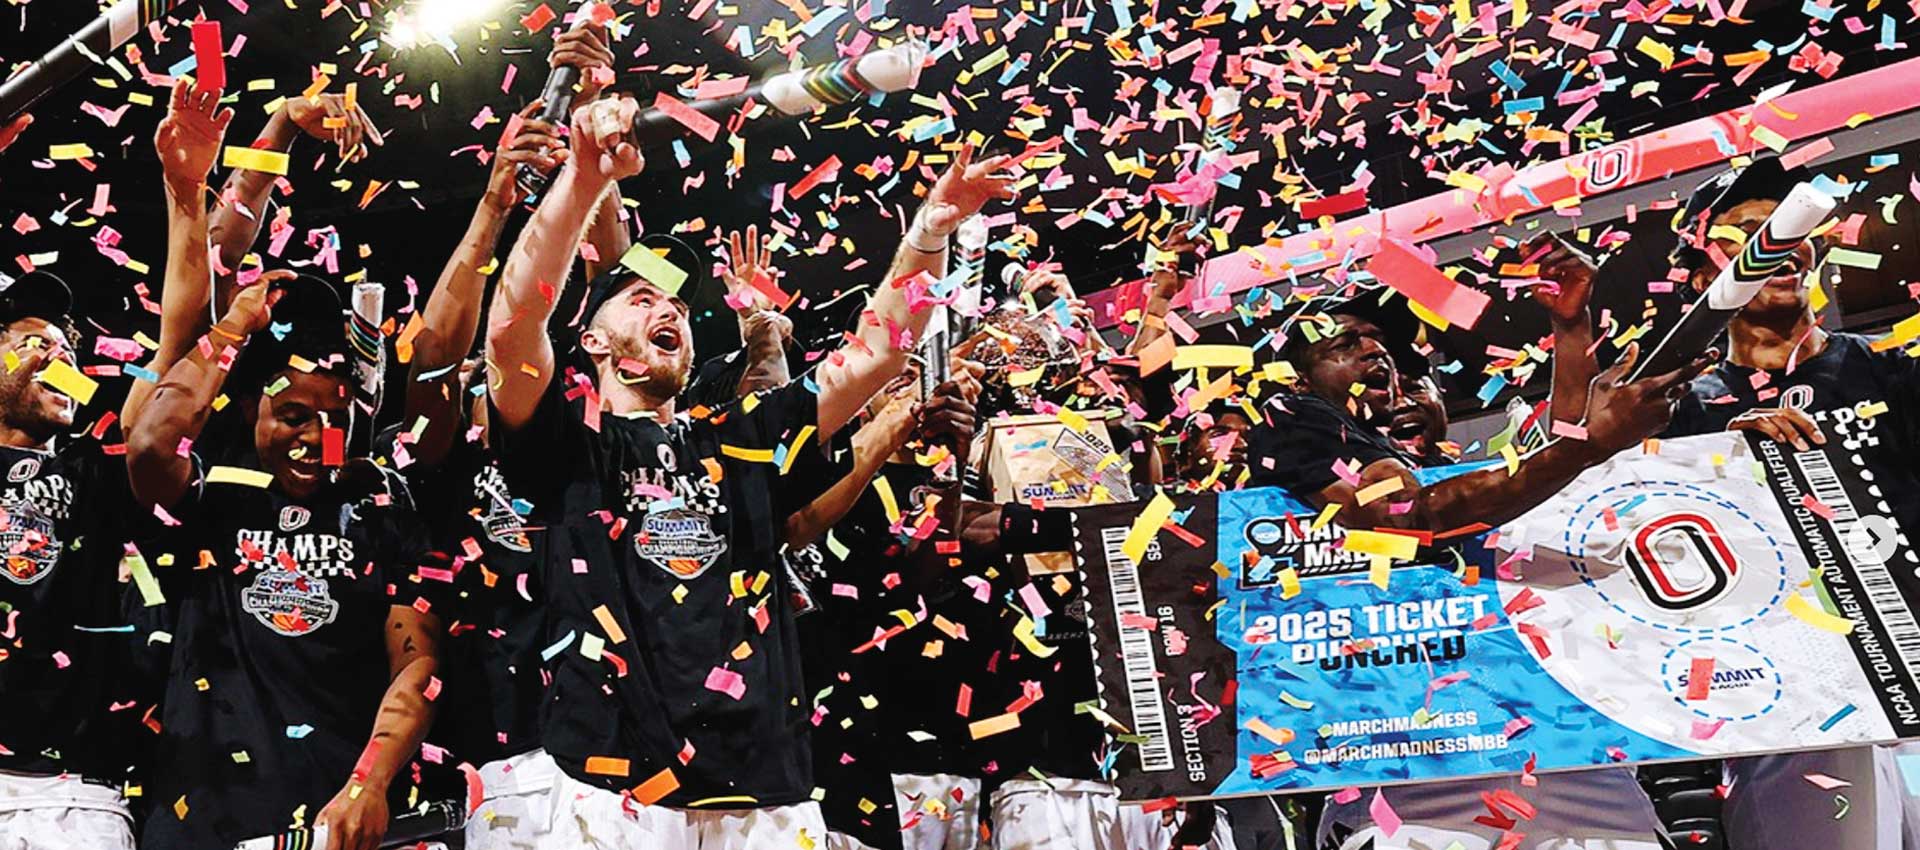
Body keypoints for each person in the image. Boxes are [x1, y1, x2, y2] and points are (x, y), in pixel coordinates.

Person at [481, 88, 1015, 847]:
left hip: (767, 797)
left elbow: (879, 349)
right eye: (638, 299)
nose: (665, 309)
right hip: (613, 799)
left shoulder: (739, 436)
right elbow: (512, 326)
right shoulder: (569, 445)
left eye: (674, 305)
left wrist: (930, 229)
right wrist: (584, 181)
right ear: (594, 344)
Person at [1234, 279, 1672, 850]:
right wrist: (1588, 446)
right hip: (1414, 782)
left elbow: (1557, 462)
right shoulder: (1292, 417)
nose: (1374, 351)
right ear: (1298, 378)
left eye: (1378, 342)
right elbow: (1398, 517)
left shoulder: (1455, 466)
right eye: (1343, 344)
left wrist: (1570, 329)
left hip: (1575, 758)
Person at [126, 81, 443, 850]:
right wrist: (273, 136)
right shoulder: (212, 493)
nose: (313, 436)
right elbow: (149, 438)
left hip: (344, 822)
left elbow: (419, 664)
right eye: (293, 415)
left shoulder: (378, 500)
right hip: (202, 818)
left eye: (333, 419)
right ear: (249, 411)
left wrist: (368, 783)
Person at [1652, 157, 1920, 850]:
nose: (1778, 241)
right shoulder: (1678, 415)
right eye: (1749, 231)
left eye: (1790, 227)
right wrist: (1716, 463)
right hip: (1801, 715)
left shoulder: (1893, 371)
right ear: (1708, 268)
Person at [0, 268, 141, 850]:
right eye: (35, 344)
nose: (58, 361)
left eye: (66, 353)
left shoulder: (96, 468)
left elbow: (181, 352)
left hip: (70, 797)